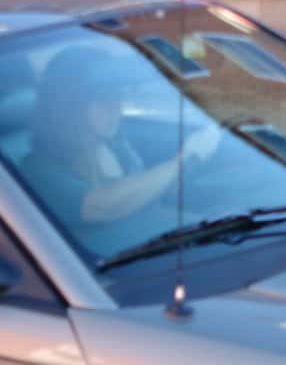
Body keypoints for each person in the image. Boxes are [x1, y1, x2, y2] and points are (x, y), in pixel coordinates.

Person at [23, 43, 221, 245]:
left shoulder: (116, 146)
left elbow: (145, 197)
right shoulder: (38, 170)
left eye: (116, 95)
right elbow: (100, 206)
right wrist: (180, 160)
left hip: (160, 242)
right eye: (102, 98)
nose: (114, 107)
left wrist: (192, 161)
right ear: (69, 106)